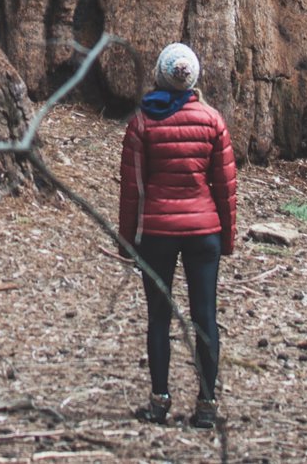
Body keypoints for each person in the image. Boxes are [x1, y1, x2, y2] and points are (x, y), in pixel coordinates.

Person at [118, 42, 237, 429]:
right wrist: (228, 238)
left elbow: (132, 188)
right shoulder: (212, 120)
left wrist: (126, 240)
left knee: (159, 317)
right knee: (205, 316)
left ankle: (159, 400)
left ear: (160, 74)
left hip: (157, 232)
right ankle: (206, 404)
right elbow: (225, 187)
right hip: (205, 233)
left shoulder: (142, 122)